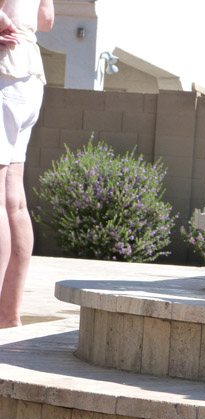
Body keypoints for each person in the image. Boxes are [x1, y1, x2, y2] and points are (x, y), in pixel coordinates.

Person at [0, 0, 53, 328]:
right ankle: (7, 318)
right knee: (13, 201)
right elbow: (45, 18)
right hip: (29, 74)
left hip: (5, 70)